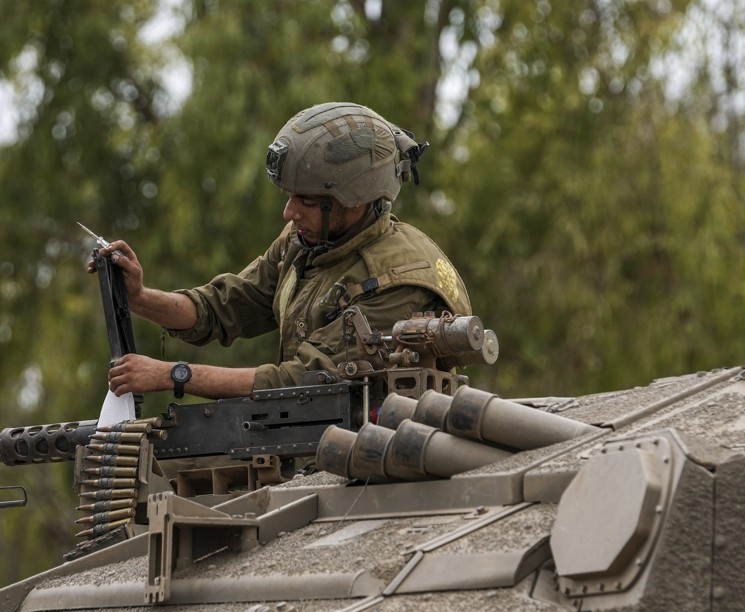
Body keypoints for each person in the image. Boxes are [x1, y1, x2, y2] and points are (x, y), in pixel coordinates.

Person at [92, 102, 472, 400]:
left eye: (305, 200)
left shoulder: (397, 283)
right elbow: (230, 304)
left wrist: (172, 375)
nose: (288, 213)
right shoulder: (308, 240)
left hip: (385, 464)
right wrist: (140, 298)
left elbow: (303, 379)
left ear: (355, 201)